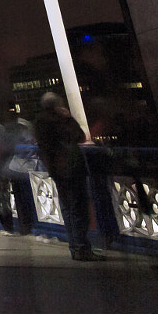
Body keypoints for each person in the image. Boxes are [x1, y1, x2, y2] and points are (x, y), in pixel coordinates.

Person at [34, 91, 100, 260]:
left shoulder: (39, 122)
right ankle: (82, 249)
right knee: (79, 209)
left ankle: (75, 247)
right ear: (57, 105)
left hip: (56, 170)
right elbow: (79, 136)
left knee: (68, 209)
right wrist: (68, 118)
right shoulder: (61, 120)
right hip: (71, 168)